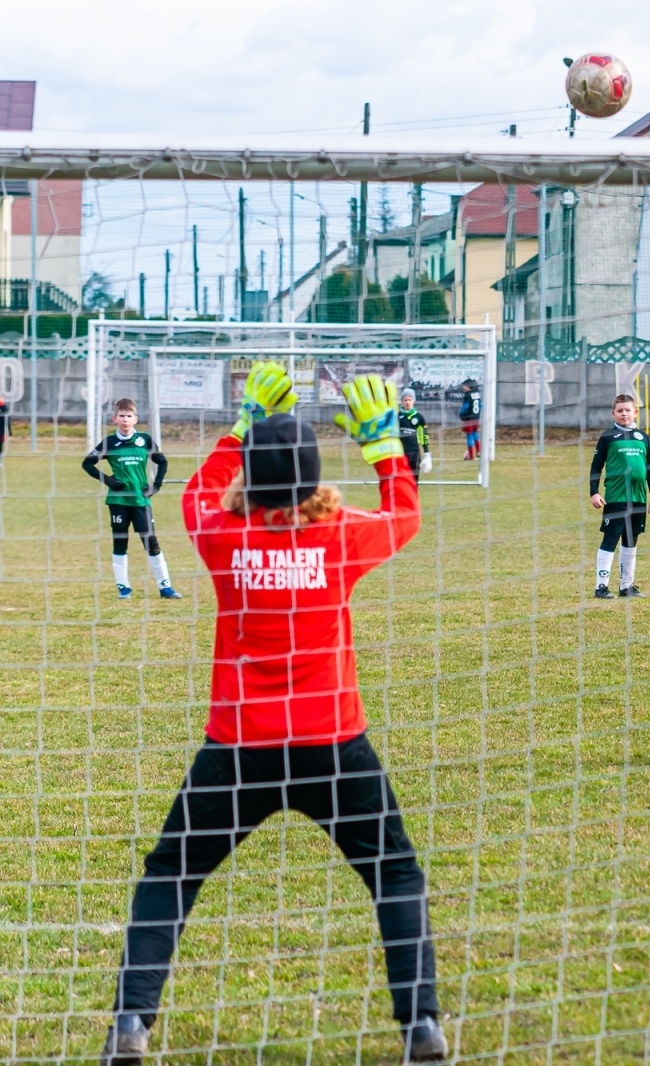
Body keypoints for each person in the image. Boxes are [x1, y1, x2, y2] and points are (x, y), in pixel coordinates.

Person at [99, 364, 447, 1065]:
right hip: (333, 743)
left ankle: (131, 1024)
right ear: (317, 475)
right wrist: (386, 450)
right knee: (397, 875)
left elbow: (196, 495)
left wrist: (238, 425)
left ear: (250, 476)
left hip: (237, 750)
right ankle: (422, 1027)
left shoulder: (224, 537)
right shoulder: (341, 535)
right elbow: (404, 517)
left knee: (170, 876)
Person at [82, 398, 180, 601]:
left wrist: (156, 485)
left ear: (136, 419)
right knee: (120, 542)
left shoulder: (145, 440)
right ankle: (123, 587)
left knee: (151, 542)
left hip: (140, 500)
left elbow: (162, 462)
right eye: (121, 416)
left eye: (129, 416)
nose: (125, 420)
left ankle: (165, 587)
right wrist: (108, 480)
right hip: (118, 501)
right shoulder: (109, 442)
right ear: (114, 419)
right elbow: (87, 464)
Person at [588, 394, 650, 599]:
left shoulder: (643, 437)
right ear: (613, 413)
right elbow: (595, 467)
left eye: (627, 410)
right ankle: (601, 587)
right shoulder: (607, 437)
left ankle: (626, 586)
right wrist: (594, 492)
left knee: (631, 540)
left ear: (635, 412)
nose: (624, 414)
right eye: (619, 411)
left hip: (638, 498)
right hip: (616, 497)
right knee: (611, 539)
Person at [398, 387, 432, 483]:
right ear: (402, 402)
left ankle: (414, 497)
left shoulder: (419, 417)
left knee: (414, 480)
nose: (407, 402)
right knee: (402, 480)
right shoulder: (398, 416)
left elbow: (424, 436)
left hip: (414, 452)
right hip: (400, 452)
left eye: (410, 400)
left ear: (413, 401)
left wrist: (427, 454)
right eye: (405, 400)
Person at [458, 378, 482, 461]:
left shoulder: (468, 395)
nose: (463, 388)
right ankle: (479, 451)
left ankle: (471, 455)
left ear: (469, 387)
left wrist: (461, 414)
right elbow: (480, 405)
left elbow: (466, 406)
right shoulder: (477, 394)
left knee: (469, 435)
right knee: (475, 434)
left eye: (464, 386)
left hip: (469, 418)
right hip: (476, 417)